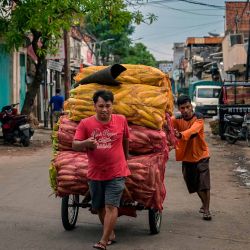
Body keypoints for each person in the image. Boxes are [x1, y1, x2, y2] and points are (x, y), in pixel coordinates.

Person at [72, 89, 130, 250]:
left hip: (117, 172)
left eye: (108, 106)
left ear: (113, 106)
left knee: (111, 206)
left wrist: (126, 159)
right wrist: (86, 143)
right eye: (101, 106)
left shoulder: (121, 120)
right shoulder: (86, 123)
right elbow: (74, 144)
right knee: (99, 206)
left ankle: (103, 241)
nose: (104, 109)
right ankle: (110, 233)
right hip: (95, 173)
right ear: (94, 106)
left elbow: (126, 140)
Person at [171, 95, 212, 221]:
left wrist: (180, 135)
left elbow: (193, 131)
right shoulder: (176, 119)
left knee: (204, 184)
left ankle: (206, 210)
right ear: (179, 108)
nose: (186, 110)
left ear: (191, 106)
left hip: (201, 155)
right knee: (193, 185)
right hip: (187, 157)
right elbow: (167, 126)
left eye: (188, 107)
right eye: (182, 108)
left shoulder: (198, 118)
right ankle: (204, 204)